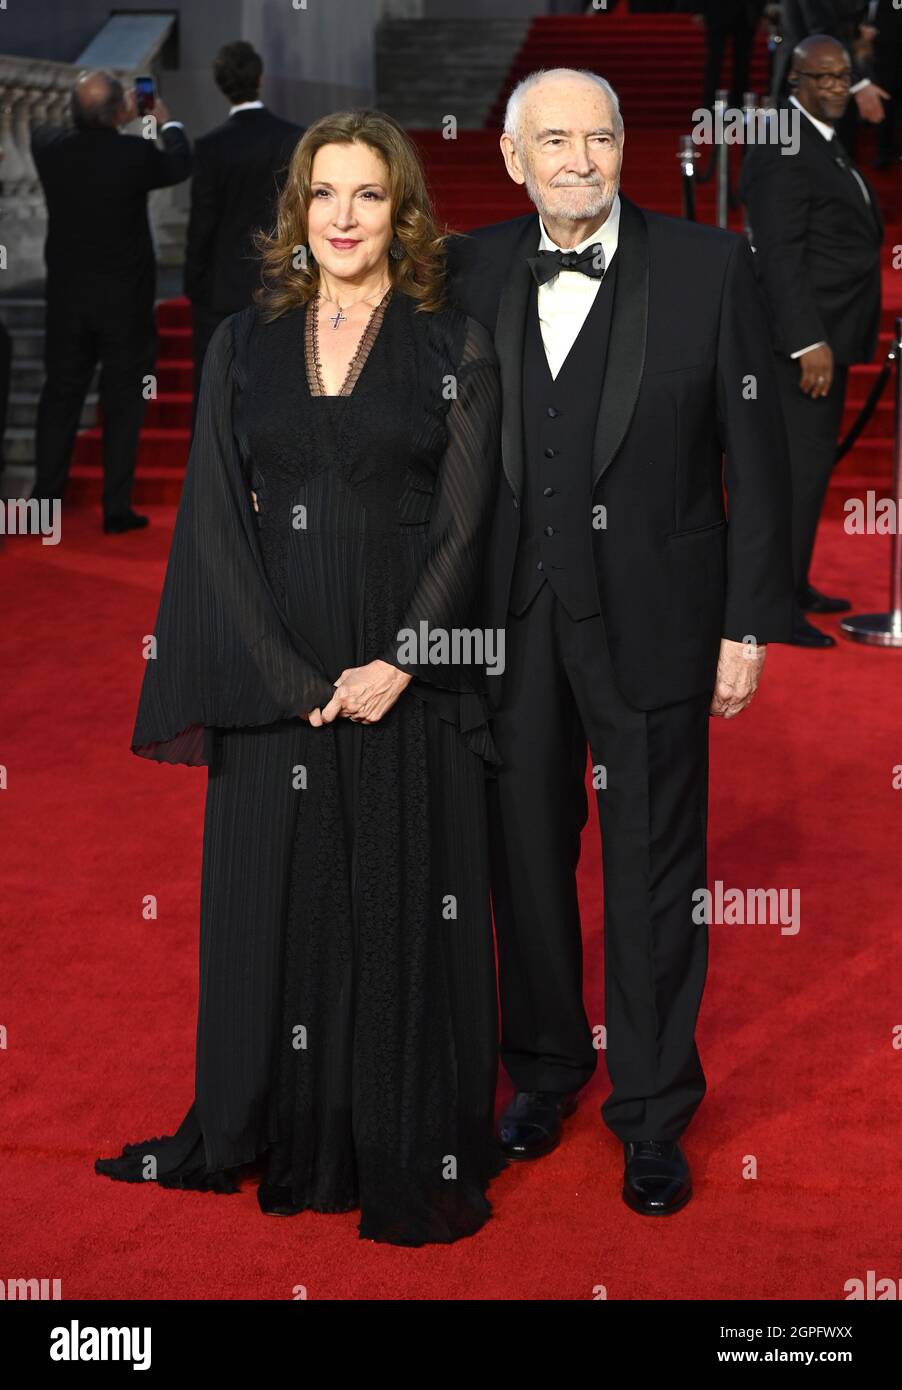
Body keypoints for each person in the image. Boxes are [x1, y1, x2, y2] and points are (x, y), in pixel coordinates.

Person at [95, 108, 505, 1247]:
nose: (342, 217)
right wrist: (286, 674)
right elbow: (217, 527)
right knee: (275, 908)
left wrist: (399, 664)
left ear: (401, 210)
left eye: (367, 195)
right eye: (323, 194)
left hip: (400, 676)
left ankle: (390, 1135)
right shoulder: (244, 344)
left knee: (390, 903)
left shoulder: (449, 342)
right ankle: (261, 1122)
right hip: (280, 675)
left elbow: (464, 529)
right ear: (296, 209)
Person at [447, 68, 793, 1216]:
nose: (581, 160)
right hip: (505, 624)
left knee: (654, 869)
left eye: (600, 136)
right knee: (523, 859)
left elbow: (760, 458)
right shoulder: (468, 267)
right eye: (554, 140)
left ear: (623, 146)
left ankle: (649, 1108)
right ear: (512, 158)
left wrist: (748, 621)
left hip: (656, 619)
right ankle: (544, 1070)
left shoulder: (708, 267)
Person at [739, 35, 883, 645]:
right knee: (791, 478)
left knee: (809, 474)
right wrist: (806, 341)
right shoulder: (782, 141)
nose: (834, 87)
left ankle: (792, 584)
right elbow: (779, 252)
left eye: (841, 77)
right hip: (801, 348)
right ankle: (771, 608)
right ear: (794, 80)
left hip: (832, 336)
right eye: (820, 78)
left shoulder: (821, 141)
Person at [29, 70, 191, 533]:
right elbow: (180, 163)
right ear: (120, 113)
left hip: (66, 305)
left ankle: (44, 507)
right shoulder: (135, 153)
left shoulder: (49, 150)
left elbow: (46, 129)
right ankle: (115, 509)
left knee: (59, 398)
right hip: (125, 308)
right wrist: (162, 122)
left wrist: (103, 111)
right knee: (123, 407)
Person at [184, 41, 303, 423]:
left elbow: (202, 223)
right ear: (260, 79)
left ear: (221, 85)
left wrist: (195, 285)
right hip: (280, 284)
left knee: (217, 398)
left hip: (222, 291)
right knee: (277, 394)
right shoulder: (293, 138)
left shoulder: (210, 147)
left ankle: (215, 480)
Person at [694, 0, 768, 112]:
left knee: (743, 64)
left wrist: (761, 10)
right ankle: (709, 106)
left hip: (745, 13)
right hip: (717, 11)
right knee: (714, 63)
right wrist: (699, 9)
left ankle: (739, 105)